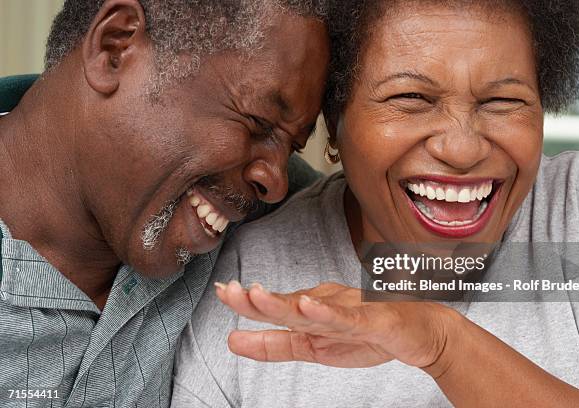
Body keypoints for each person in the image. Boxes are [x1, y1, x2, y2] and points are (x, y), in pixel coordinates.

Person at [172, 0, 579, 406]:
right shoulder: (251, 283)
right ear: (334, 120)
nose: (462, 150)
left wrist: (443, 346)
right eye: (411, 99)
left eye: (503, 101)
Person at [0, 0, 331, 407]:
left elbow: (413, 263)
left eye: (291, 145)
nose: (275, 181)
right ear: (114, 48)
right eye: (258, 123)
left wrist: (435, 339)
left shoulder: (250, 215)